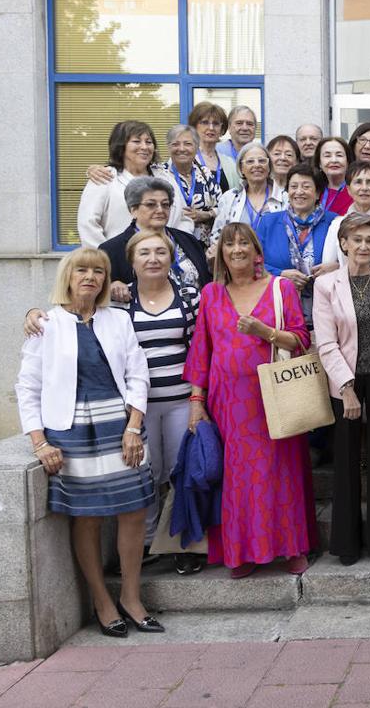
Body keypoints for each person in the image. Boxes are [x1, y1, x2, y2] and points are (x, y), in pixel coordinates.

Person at [15, 247, 162, 637]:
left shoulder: (118, 320)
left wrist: (134, 426)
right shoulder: (46, 324)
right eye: (82, 269)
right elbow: (27, 387)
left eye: (98, 271)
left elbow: (137, 374)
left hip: (120, 426)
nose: (90, 277)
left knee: (133, 511)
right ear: (67, 275)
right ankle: (101, 600)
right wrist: (38, 442)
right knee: (88, 517)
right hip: (72, 431)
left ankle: (132, 596)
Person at [184, 223, 316, 577]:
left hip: (274, 395)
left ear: (258, 252)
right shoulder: (211, 293)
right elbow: (201, 351)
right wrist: (197, 400)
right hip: (228, 402)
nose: (238, 249)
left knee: (281, 472)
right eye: (230, 244)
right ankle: (241, 551)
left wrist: (265, 331)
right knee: (238, 477)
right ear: (221, 254)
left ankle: (291, 548)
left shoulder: (280, 288)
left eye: (245, 243)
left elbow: (301, 339)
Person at [315, 213, 370, 565]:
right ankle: (347, 543)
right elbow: (326, 343)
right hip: (346, 380)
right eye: (357, 240)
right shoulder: (327, 285)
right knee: (347, 462)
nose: (363, 246)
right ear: (344, 243)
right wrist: (346, 388)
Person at [123, 231, 200, 573]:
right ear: (133, 260)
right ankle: (147, 542)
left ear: (170, 258)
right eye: (145, 253)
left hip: (180, 400)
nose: (153, 258)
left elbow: (200, 348)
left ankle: (182, 542)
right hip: (138, 407)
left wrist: (200, 398)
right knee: (146, 473)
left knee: (179, 473)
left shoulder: (187, 295)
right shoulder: (120, 302)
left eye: (160, 252)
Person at [96, 177, 210, 307]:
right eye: (151, 204)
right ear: (133, 210)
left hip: (197, 319)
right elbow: (99, 292)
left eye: (165, 204)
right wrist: (111, 286)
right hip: (145, 323)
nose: (160, 210)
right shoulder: (111, 249)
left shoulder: (188, 240)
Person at [77, 121, 183, 247]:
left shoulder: (165, 177)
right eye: (137, 141)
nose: (144, 147)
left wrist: (177, 247)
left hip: (167, 258)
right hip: (120, 261)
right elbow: (88, 224)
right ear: (121, 146)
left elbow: (183, 217)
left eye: (148, 142)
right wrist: (107, 257)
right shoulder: (104, 178)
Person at [256, 163, 337, 324]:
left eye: (306, 186)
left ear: (318, 193)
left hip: (326, 311)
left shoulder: (334, 222)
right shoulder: (268, 222)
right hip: (277, 309)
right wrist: (281, 274)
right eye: (293, 186)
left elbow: (352, 262)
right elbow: (253, 264)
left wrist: (336, 266)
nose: (299, 192)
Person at [210, 143, 289, 247]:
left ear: (269, 167)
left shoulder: (284, 198)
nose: (257, 165)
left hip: (272, 260)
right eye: (250, 161)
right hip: (237, 257)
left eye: (262, 161)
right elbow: (217, 237)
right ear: (241, 168)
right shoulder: (229, 198)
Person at [163, 124, 218, 245]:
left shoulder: (205, 173)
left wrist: (206, 215)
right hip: (171, 243)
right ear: (168, 147)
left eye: (187, 144)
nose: (181, 148)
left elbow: (222, 206)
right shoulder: (160, 175)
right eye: (175, 144)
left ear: (196, 147)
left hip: (203, 245)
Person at [190, 101, 238, 191]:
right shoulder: (185, 159)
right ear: (194, 127)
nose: (211, 128)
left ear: (222, 129)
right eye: (205, 122)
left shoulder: (230, 164)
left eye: (216, 123)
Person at [313, 136, 354, 216]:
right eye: (327, 156)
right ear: (319, 163)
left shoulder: (357, 191)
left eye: (339, 155)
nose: (334, 160)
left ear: (348, 161)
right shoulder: (314, 190)